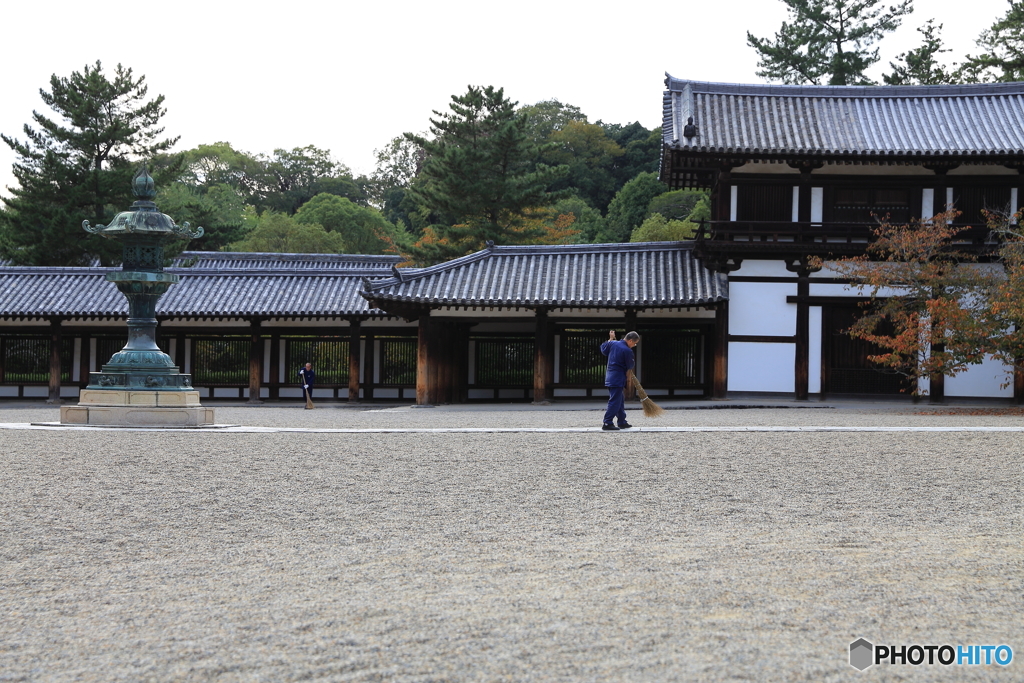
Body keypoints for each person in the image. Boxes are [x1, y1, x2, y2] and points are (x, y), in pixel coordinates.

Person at [600, 330, 639, 431]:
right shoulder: (627, 350)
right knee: (615, 401)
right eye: (634, 343)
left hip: (610, 376)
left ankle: (622, 421)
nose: (634, 345)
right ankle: (607, 422)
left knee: (619, 400)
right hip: (617, 378)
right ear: (630, 340)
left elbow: (603, 349)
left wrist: (611, 338)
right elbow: (630, 365)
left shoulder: (613, 344)